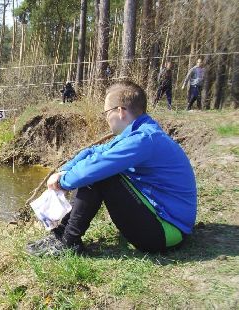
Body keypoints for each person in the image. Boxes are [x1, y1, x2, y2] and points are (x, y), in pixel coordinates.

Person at [27, 81, 197, 256]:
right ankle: (61, 235)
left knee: (100, 175)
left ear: (120, 111)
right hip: (162, 221)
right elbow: (93, 151)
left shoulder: (143, 139)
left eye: (106, 112)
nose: (106, 118)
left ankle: (68, 241)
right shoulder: (136, 133)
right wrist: (62, 170)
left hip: (166, 233)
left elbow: (93, 168)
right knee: (97, 168)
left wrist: (61, 183)